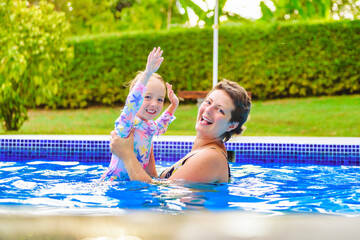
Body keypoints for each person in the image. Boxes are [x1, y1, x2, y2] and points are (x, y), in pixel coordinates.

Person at [110, 79, 251, 184]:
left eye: (220, 110)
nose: (208, 110)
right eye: (208, 102)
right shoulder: (201, 152)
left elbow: (157, 197)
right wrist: (145, 139)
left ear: (232, 125)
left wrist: (127, 154)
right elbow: (154, 181)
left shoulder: (211, 158)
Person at [101, 47, 179, 181]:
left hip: (134, 181)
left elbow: (162, 125)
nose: (154, 104)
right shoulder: (127, 123)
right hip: (113, 183)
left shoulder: (150, 126)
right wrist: (147, 73)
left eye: (160, 99)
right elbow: (132, 102)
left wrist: (173, 105)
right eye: (147, 97)